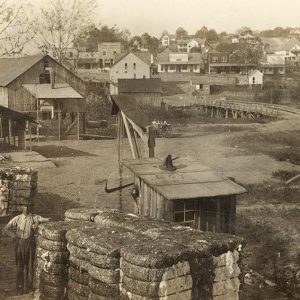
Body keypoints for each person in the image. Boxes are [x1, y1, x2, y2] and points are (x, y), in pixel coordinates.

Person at [2, 204, 50, 295]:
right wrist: (14, 236)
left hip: (30, 243)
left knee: (30, 265)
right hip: (20, 243)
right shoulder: (17, 218)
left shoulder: (33, 217)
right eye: (24, 206)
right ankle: (19, 287)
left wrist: (38, 223)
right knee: (20, 265)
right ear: (21, 208)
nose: (26, 208)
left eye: (28, 206)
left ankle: (29, 287)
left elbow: (45, 219)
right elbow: (6, 229)